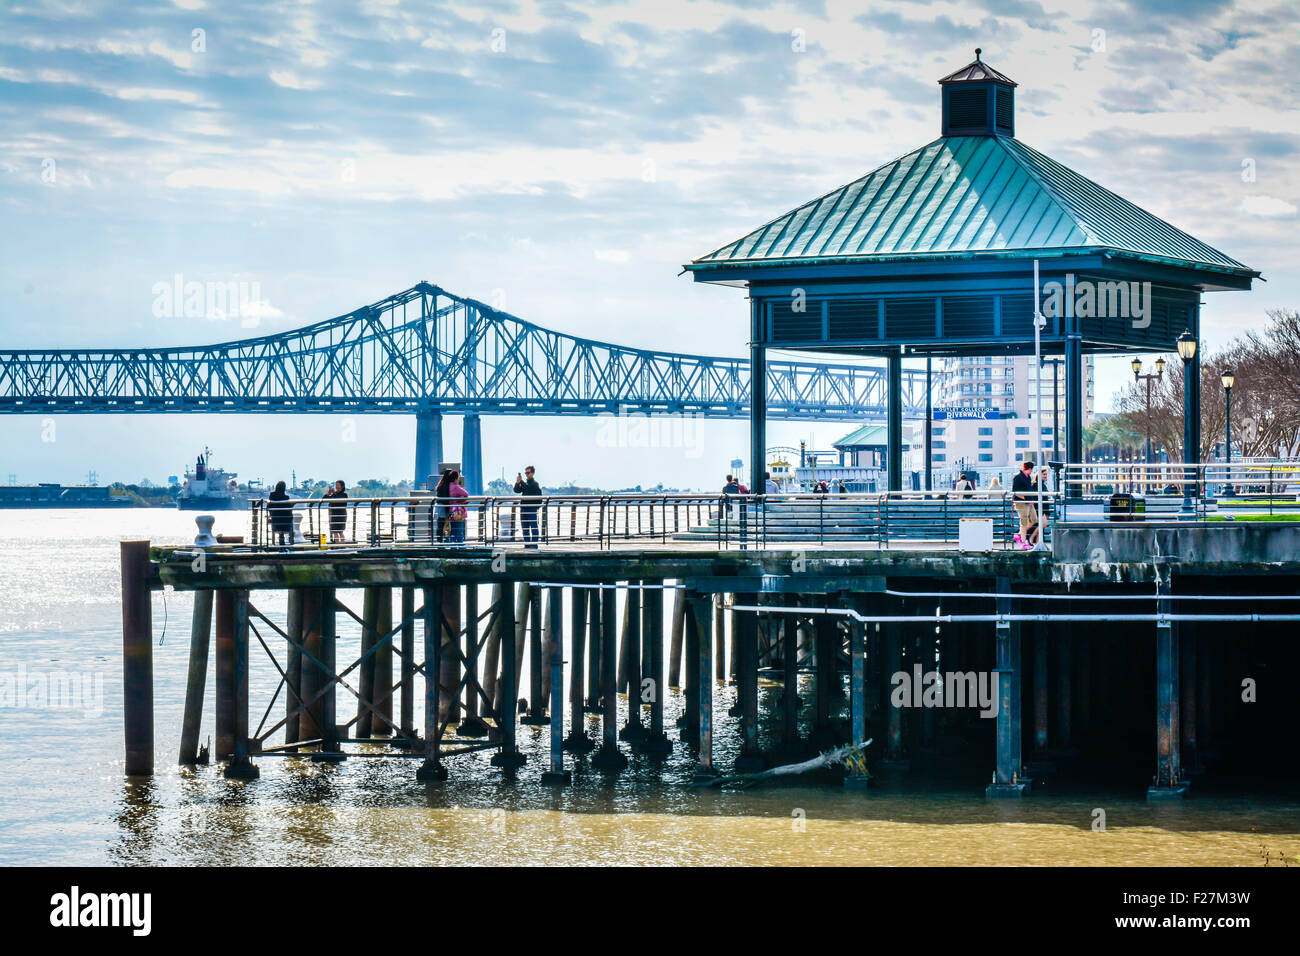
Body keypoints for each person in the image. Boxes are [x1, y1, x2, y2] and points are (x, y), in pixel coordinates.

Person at [1011, 460, 1037, 550]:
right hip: (1021, 503)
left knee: (1034, 519)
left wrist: (1031, 499)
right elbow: (1015, 491)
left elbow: (1028, 489)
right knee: (1024, 522)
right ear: (1029, 469)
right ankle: (1023, 542)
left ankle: (1019, 535)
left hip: (1029, 502)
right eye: (1032, 469)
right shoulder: (1017, 477)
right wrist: (1026, 499)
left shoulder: (1028, 477)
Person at [514, 465, 542, 548]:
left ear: (532, 473)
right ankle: (527, 544)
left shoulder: (535, 484)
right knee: (525, 528)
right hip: (524, 508)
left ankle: (534, 544)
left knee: (534, 527)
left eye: (528, 473)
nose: (526, 474)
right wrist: (517, 483)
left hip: (532, 508)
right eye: (525, 473)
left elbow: (528, 488)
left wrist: (521, 482)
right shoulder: (525, 484)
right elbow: (516, 490)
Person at [268, 479, 293, 546]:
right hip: (286, 522)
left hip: (276, 520)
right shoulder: (286, 497)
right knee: (290, 520)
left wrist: (271, 516)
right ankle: (289, 543)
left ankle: (280, 541)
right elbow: (289, 509)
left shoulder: (272, 495)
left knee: (280, 520)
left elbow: (269, 507)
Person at [446, 469, 469, 544]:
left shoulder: (448, 486)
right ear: (456, 478)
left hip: (451, 510)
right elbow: (466, 494)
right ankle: (460, 546)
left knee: (453, 530)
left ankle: (452, 546)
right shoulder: (456, 487)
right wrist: (459, 500)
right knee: (459, 529)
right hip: (457, 512)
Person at [323, 479, 348, 544]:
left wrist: (333, 494)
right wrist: (328, 494)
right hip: (334, 515)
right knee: (334, 531)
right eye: (336, 485)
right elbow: (324, 499)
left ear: (342, 486)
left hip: (340, 515)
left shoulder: (344, 495)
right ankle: (337, 545)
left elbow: (339, 501)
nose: (336, 486)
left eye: (338, 485)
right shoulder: (334, 494)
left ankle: (342, 545)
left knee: (340, 531)